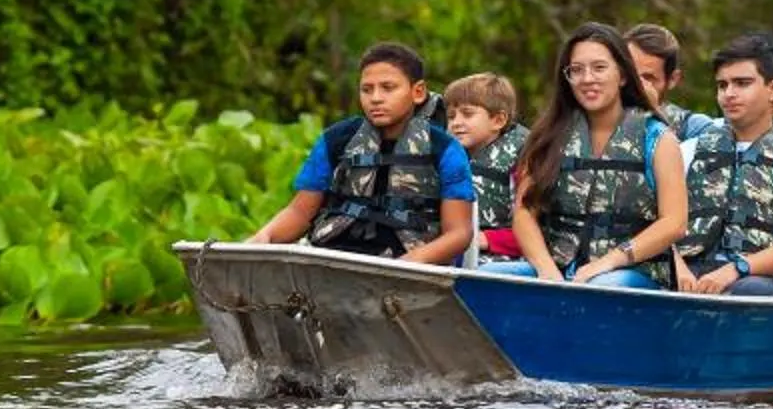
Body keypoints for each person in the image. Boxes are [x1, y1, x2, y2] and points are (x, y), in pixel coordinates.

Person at [247, 42, 475, 264]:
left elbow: (459, 233)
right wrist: (264, 237)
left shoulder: (445, 149)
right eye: (367, 89)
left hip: (407, 267)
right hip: (333, 258)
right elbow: (299, 212)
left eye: (388, 88)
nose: (375, 98)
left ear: (417, 92)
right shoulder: (335, 139)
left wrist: (410, 263)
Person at [509, 23, 690, 287]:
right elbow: (525, 212)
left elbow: (675, 222)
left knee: (604, 287)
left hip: (632, 274)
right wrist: (547, 271)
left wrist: (609, 261)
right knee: (492, 275)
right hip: (559, 270)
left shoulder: (658, 138)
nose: (587, 78)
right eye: (577, 70)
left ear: (623, 75)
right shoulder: (548, 135)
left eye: (599, 68)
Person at [676, 31, 773, 295]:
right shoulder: (686, 152)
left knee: (751, 289)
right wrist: (677, 268)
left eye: (742, 83)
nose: (729, 94)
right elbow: (653, 222)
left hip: (759, 280)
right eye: (722, 85)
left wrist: (736, 269)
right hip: (685, 273)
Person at [443, 71, 526, 261]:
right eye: (451, 116)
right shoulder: (447, 156)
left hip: (502, 258)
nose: (456, 123)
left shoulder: (523, 158)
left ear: (498, 120)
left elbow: (536, 230)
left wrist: (487, 239)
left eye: (467, 114)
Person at [623, 22, 722, 141]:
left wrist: (652, 114)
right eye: (630, 74)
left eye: (648, 78)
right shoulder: (597, 119)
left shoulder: (693, 128)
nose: (636, 85)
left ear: (672, 80)